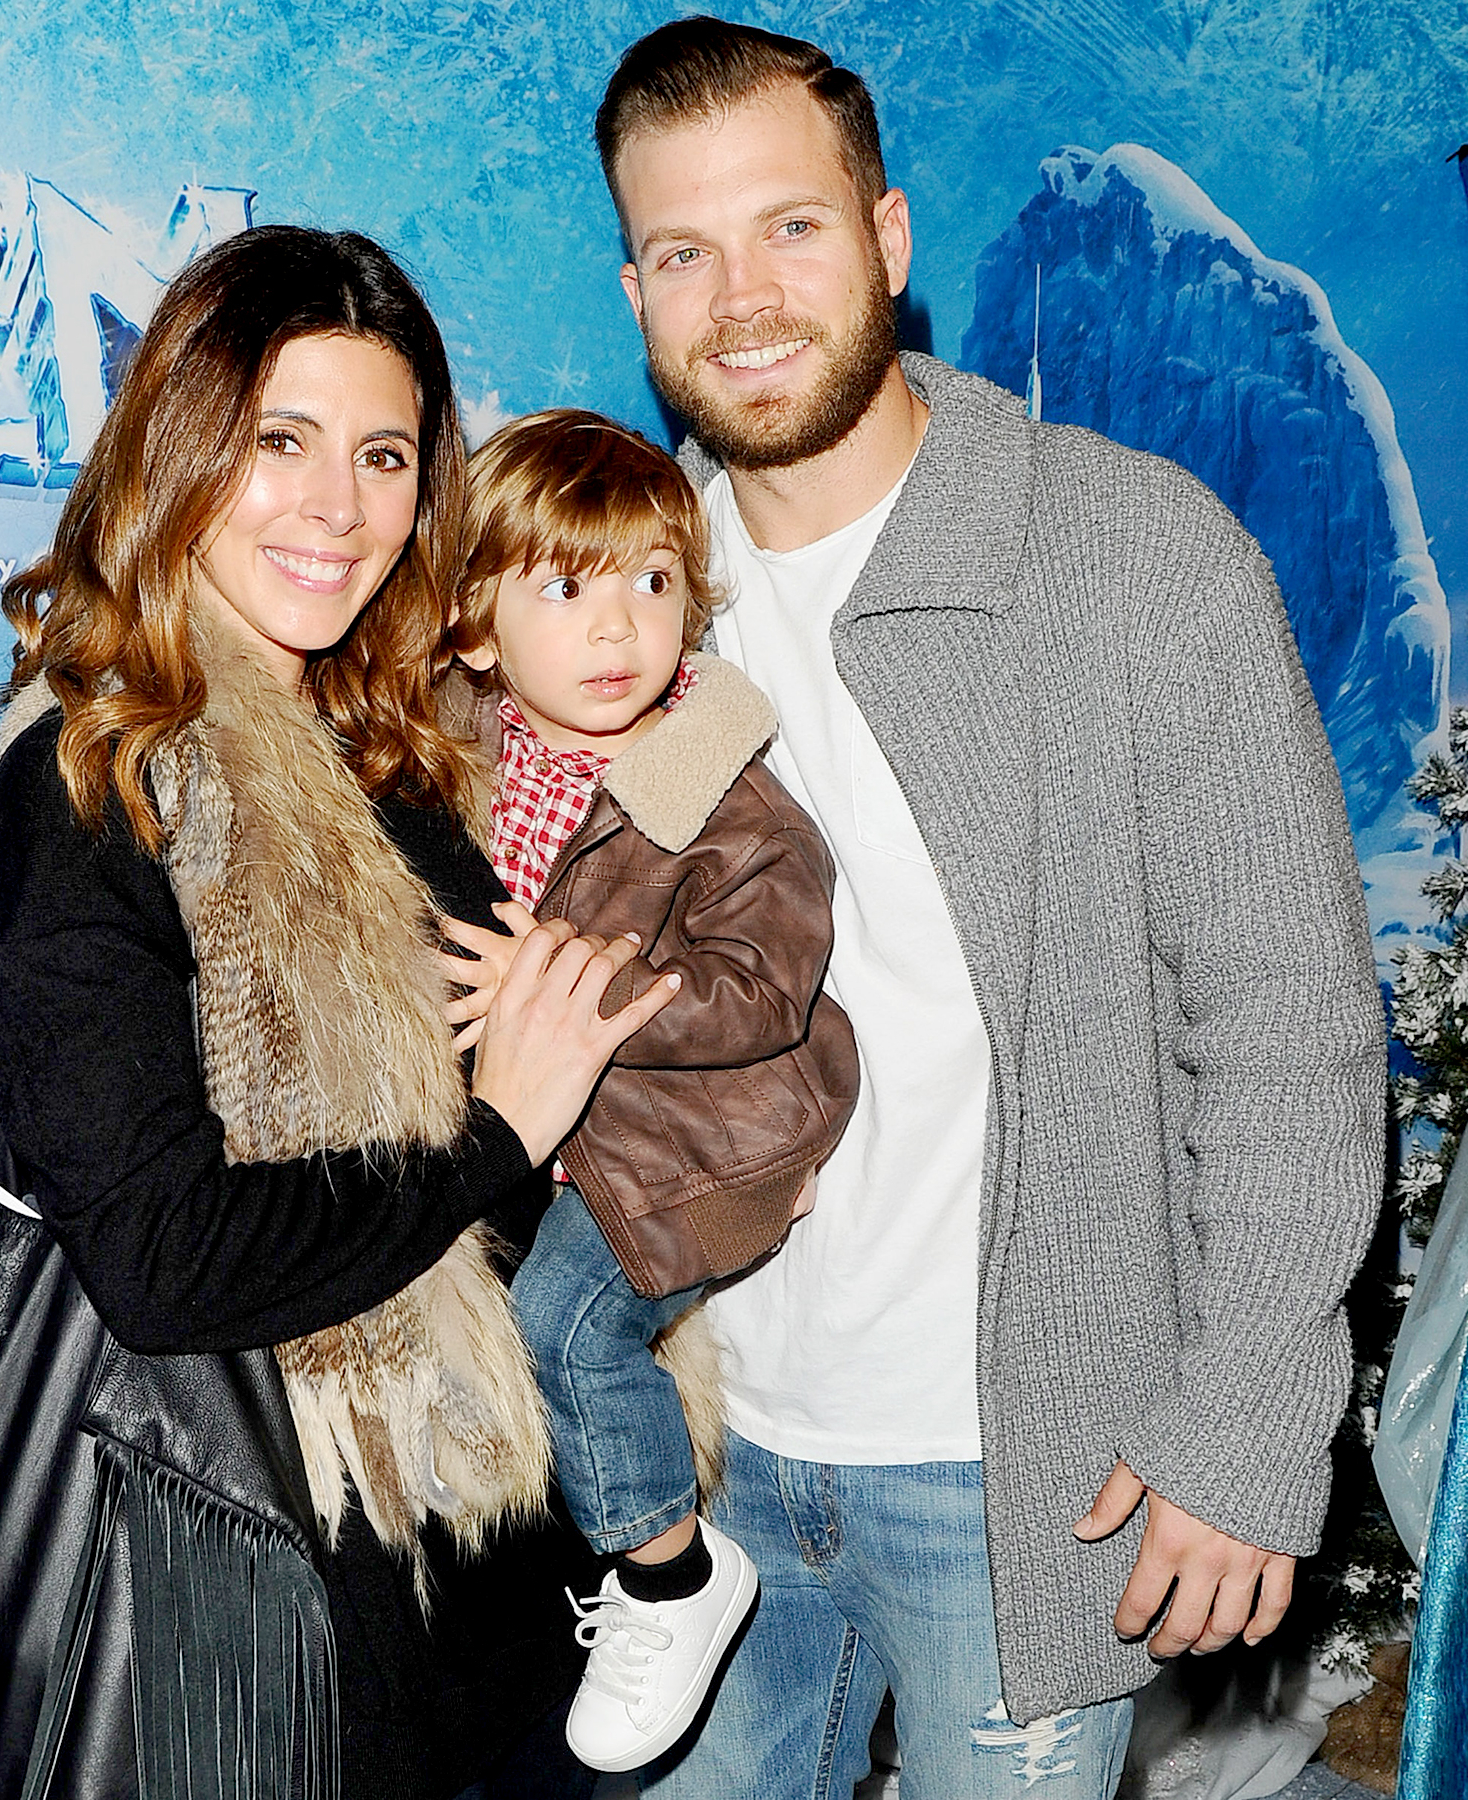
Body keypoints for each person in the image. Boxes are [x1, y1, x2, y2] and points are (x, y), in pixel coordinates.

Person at [588, 18, 1387, 1799]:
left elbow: (1287, 1034)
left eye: (789, 228)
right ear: (634, 288)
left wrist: (1248, 1415)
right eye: (682, 250)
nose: (742, 298)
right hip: (709, 1467)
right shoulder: (643, 609)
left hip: (1017, 1473)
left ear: (884, 239)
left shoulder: (1127, 552)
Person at [0, 226, 679, 1800]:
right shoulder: (99, 780)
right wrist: (502, 1129)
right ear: (181, 449)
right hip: (269, 1614)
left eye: (382, 456)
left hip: (493, 1580)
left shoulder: (396, 756)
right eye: (279, 442)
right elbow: (162, 1259)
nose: (337, 509)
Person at [435, 409, 859, 1773]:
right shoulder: (476, 758)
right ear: (478, 630)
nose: (619, 625)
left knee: (565, 1330)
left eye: (652, 582)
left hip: (709, 1135)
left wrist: (562, 991)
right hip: (563, 1128)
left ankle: (672, 1581)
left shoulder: (723, 796)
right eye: (567, 586)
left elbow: (762, 992)